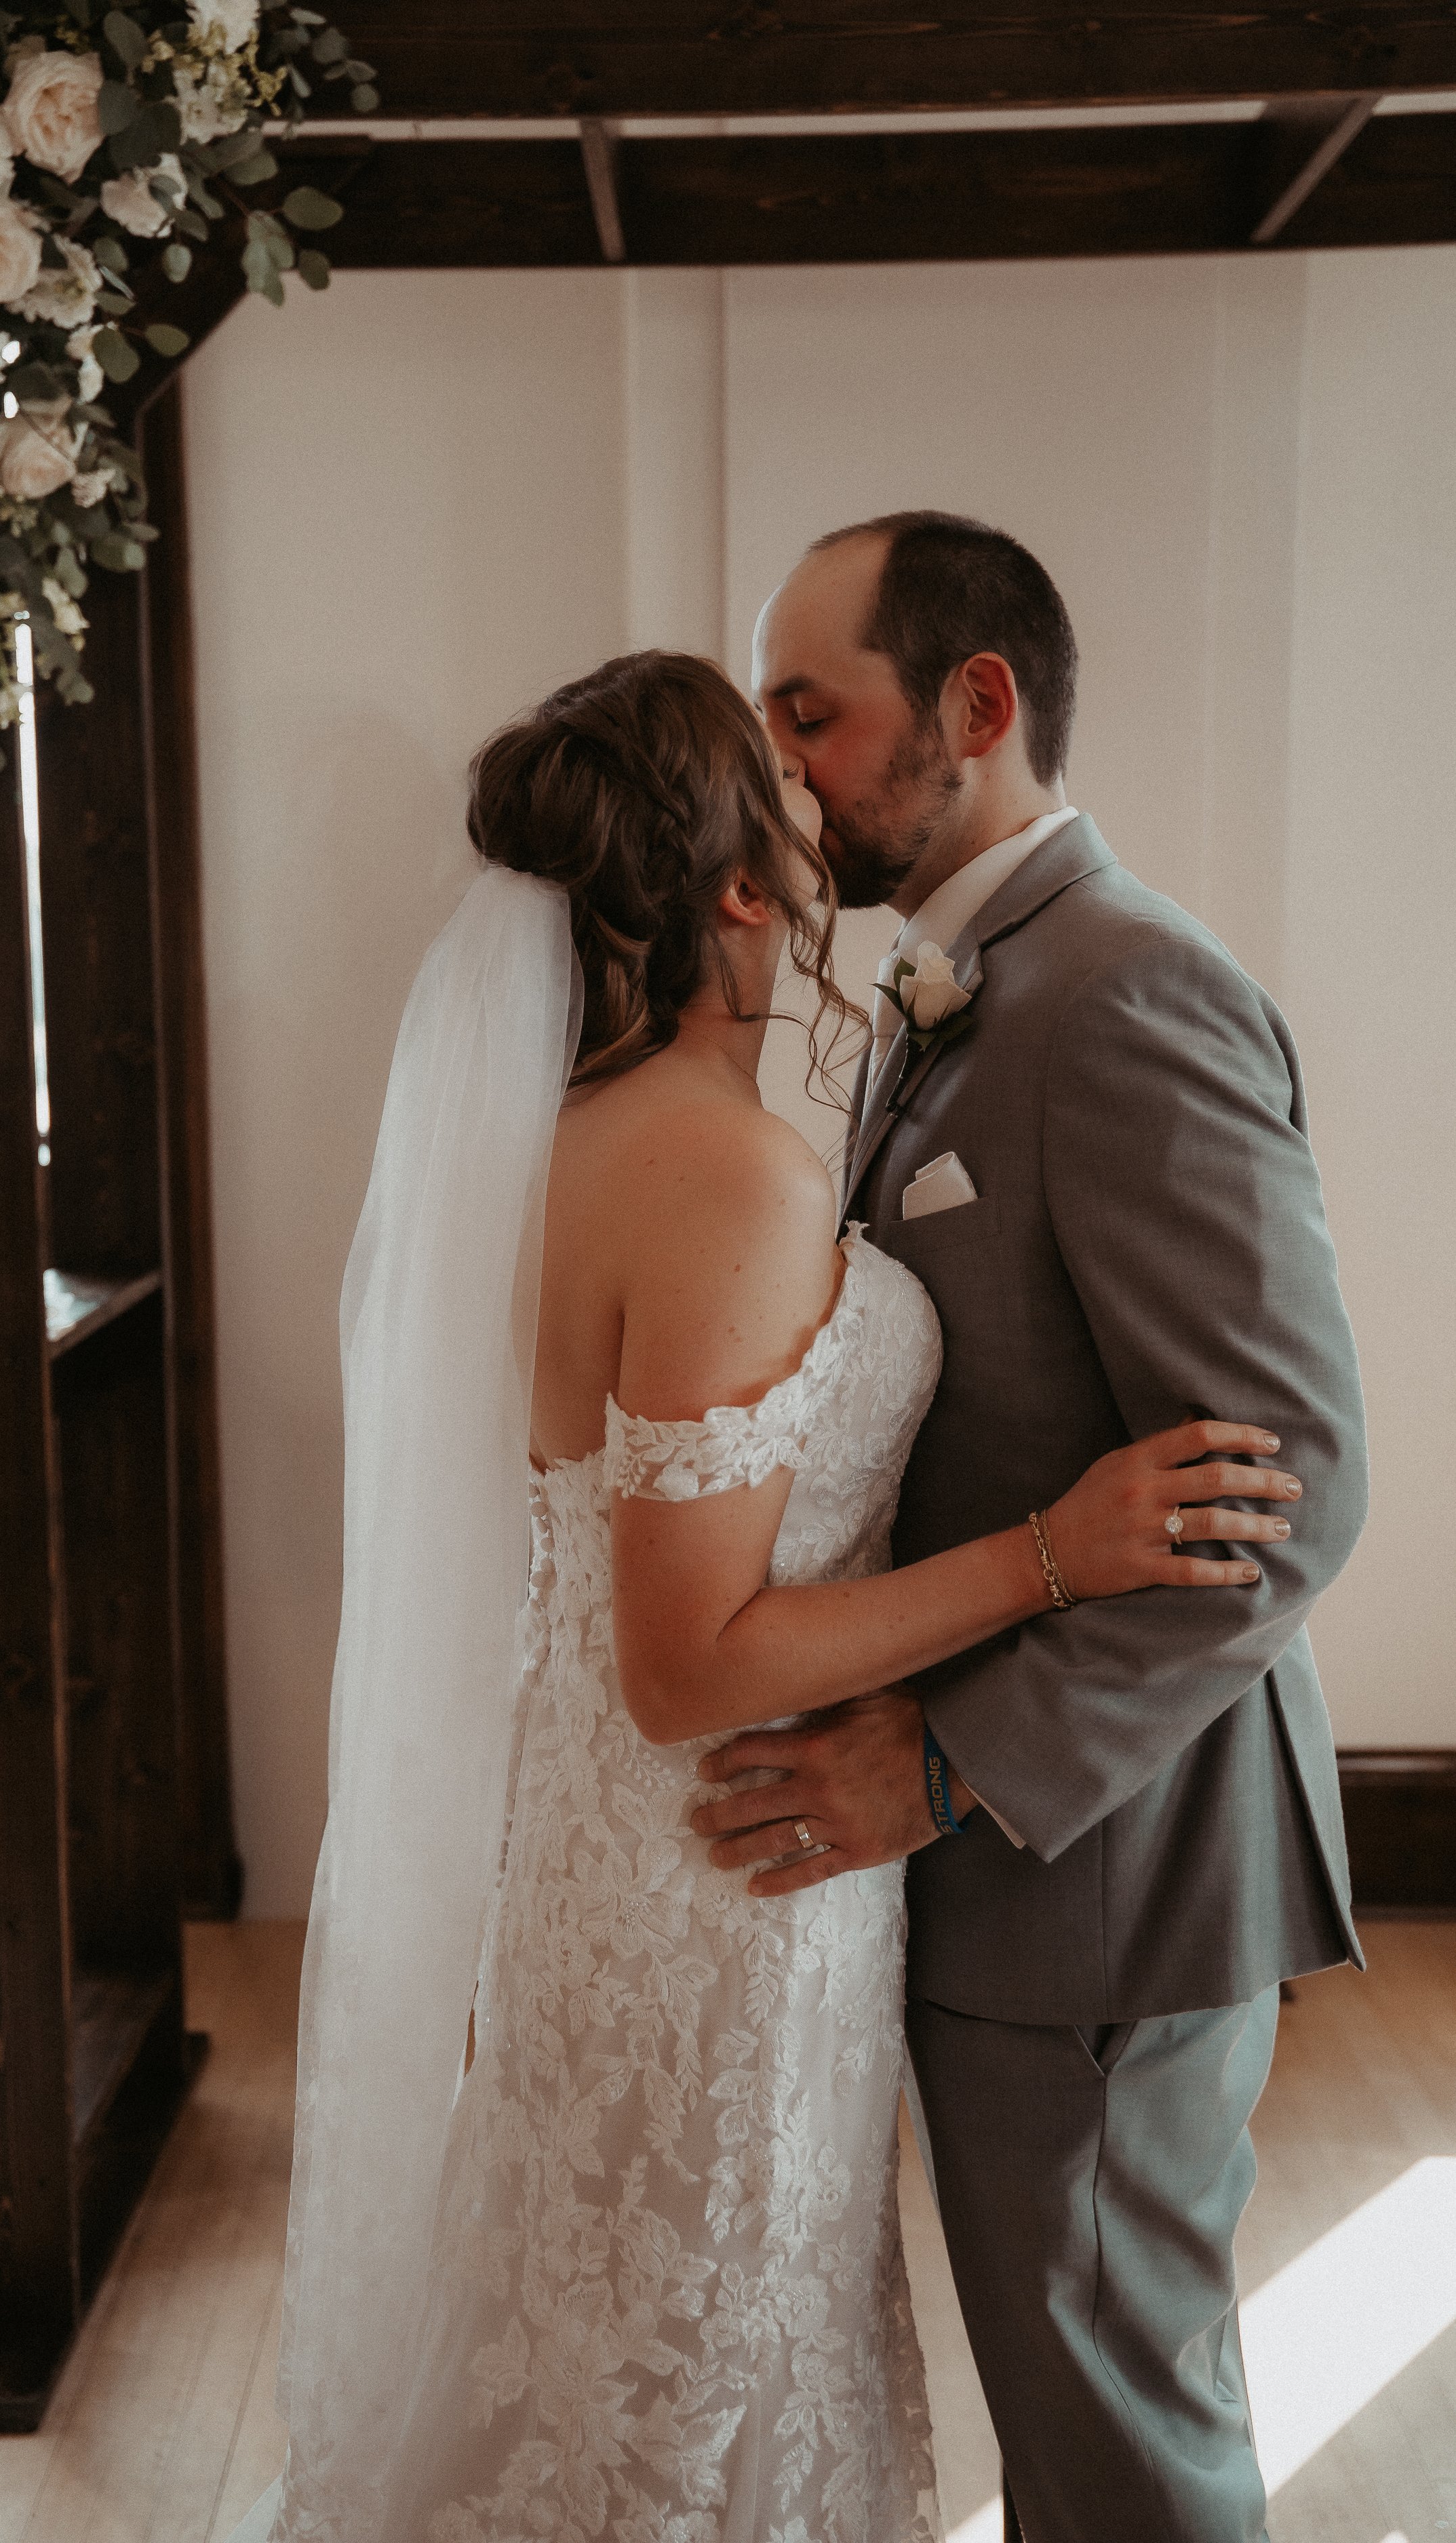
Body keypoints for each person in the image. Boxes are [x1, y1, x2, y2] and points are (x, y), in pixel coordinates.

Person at [233, 648, 1305, 2543]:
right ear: (736, 886)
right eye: (784, 768)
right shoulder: (714, 1174)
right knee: (683, 2356)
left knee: (623, 2338)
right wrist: (1057, 1552)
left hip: (629, 1859)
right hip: (721, 1860)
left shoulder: (573, 1149)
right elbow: (688, 1663)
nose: (821, 812)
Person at [690, 512, 1369, 2541]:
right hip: (1010, 1880)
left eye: (811, 712)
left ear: (973, 707)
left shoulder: (1126, 995)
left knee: (1114, 2441)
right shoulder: (943, 988)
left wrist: (953, 1759)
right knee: (1076, 2411)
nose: (779, 764)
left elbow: (1286, 1485)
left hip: (1103, 1875)